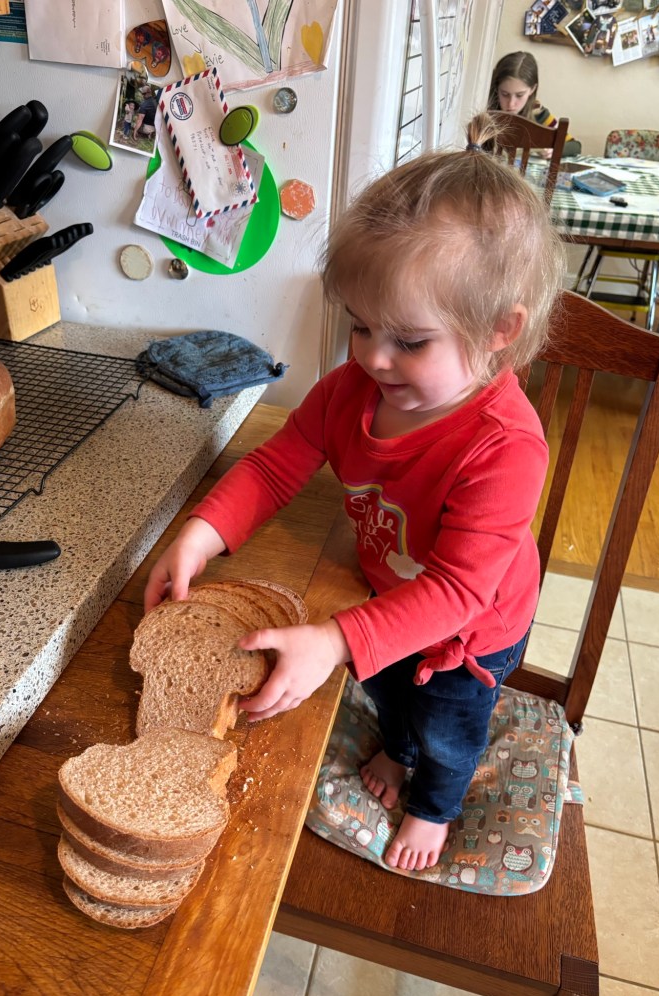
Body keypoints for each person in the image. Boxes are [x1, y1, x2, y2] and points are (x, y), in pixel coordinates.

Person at [143, 111, 566, 873]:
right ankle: (397, 750)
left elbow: (457, 592)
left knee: (445, 723)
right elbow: (276, 466)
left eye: (410, 341)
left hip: (471, 631)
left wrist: (338, 640)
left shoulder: (505, 446)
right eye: (361, 326)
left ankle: (434, 803)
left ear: (500, 330)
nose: (373, 358)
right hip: (389, 593)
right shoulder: (350, 390)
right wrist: (203, 532)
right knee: (391, 688)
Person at [488, 51, 582, 158]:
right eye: (505, 94)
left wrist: (553, 150)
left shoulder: (538, 113)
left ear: (532, 89)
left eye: (519, 95)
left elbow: (575, 146)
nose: (511, 104)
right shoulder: (485, 112)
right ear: (496, 88)